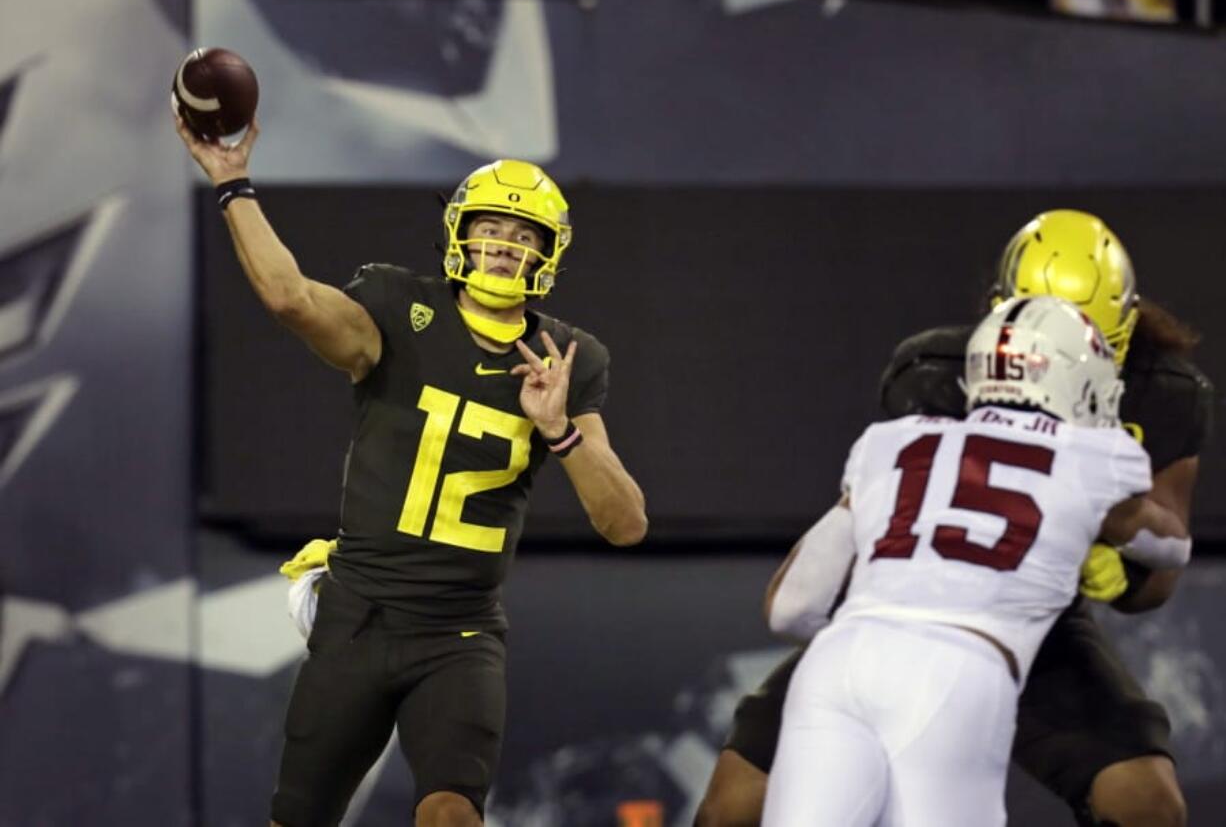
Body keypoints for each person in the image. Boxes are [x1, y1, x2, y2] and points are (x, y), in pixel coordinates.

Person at [174, 116, 648, 827]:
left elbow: (625, 524)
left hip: (459, 633)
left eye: (524, 236)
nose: (503, 246)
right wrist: (231, 181)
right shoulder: (400, 308)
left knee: (452, 815)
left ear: (548, 256)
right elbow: (289, 298)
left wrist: (560, 432)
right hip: (360, 615)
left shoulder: (567, 357)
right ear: (460, 232)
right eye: (492, 226)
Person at [697, 209, 1211, 827]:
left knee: (1147, 804)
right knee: (734, 806)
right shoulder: (937, 384)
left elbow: (788, 607)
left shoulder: (1162, 394)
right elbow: (1169, 544)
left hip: (1026, 616)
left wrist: (1118, 568)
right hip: (919, 613)